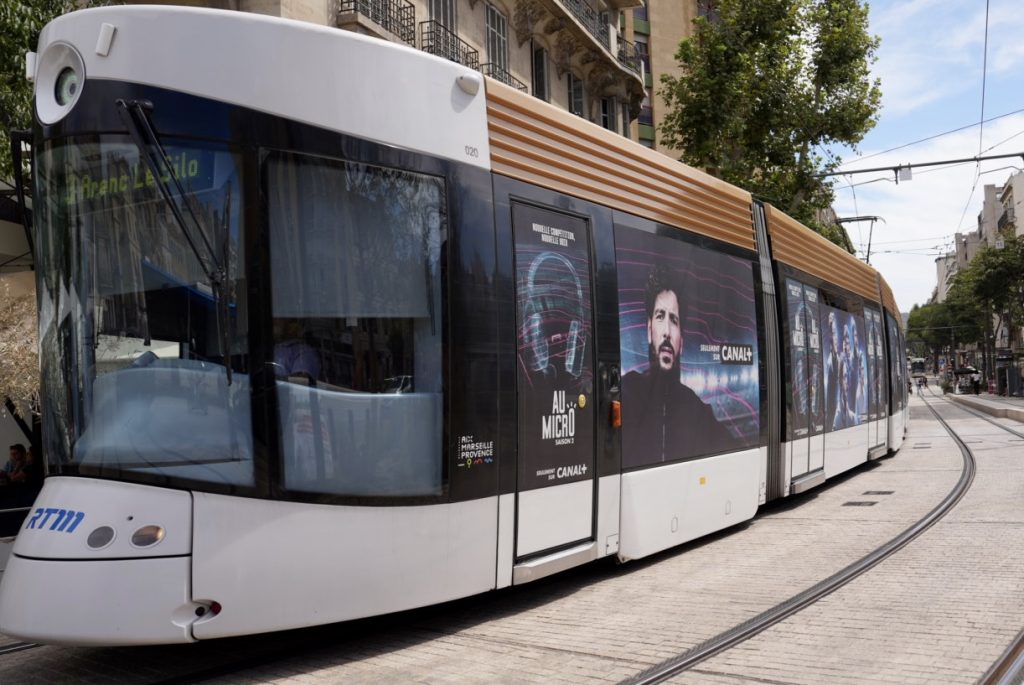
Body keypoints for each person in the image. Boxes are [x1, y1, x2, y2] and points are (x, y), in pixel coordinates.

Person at [621, 266, 738, 464]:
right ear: (649, 331)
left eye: (674, 320)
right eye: (660, 316)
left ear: (681, 342)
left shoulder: (698, 411)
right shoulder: (626, 392)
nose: (667, 330)